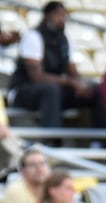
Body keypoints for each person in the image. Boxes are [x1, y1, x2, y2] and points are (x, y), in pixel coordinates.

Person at [8, 2, 96, 131]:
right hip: (23, 91)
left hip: (54, 90)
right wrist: (70, 82)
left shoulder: (65, 40)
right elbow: (36, 76)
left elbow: (72, 70)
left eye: (64, 16)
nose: (61, 19)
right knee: (51, 90)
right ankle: (53, 139)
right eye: (58, 15)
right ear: (46, 16)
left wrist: (80, 84)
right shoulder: (33, 36)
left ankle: (100, 141)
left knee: (95, 89)